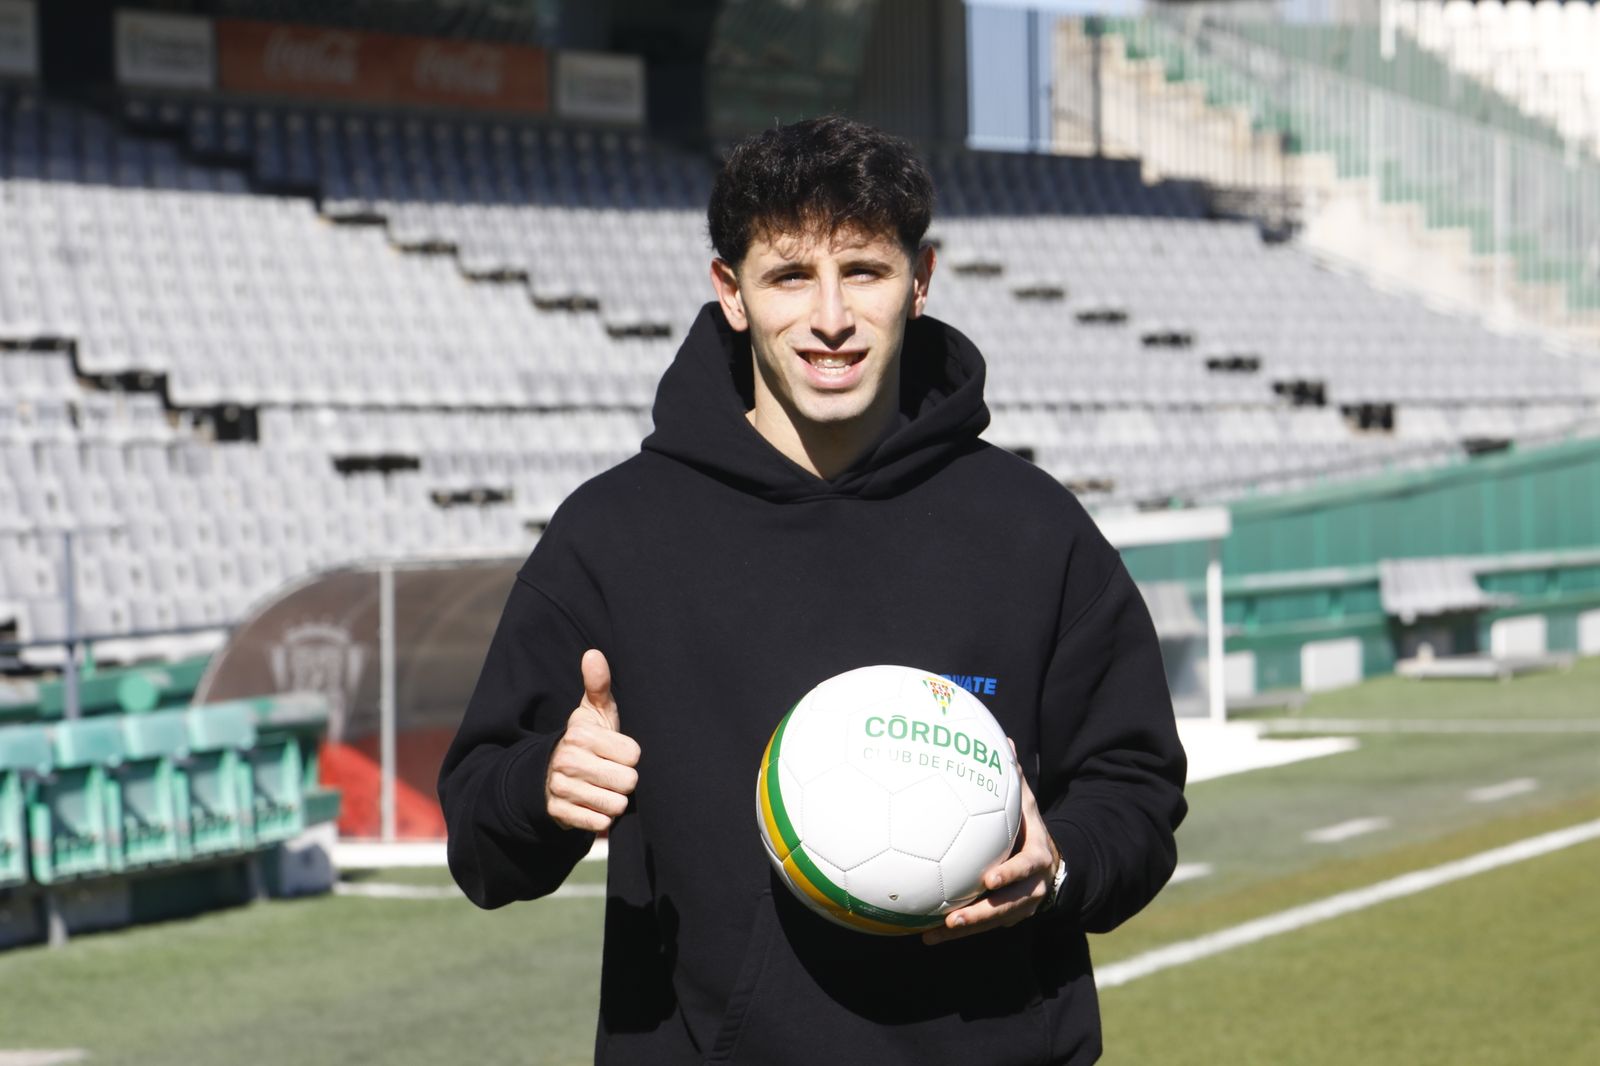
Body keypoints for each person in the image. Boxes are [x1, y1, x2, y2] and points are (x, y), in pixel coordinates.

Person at [438, 116, 1187, 1065]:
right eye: (791, 277)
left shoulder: (1034, 529)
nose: (830, 317)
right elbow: (479, 841)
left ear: (920, 281)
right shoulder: (612, 536)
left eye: (864, 272)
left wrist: (1062, 865)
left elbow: (1135, 787)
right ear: (732, 293)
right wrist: (540, 787)